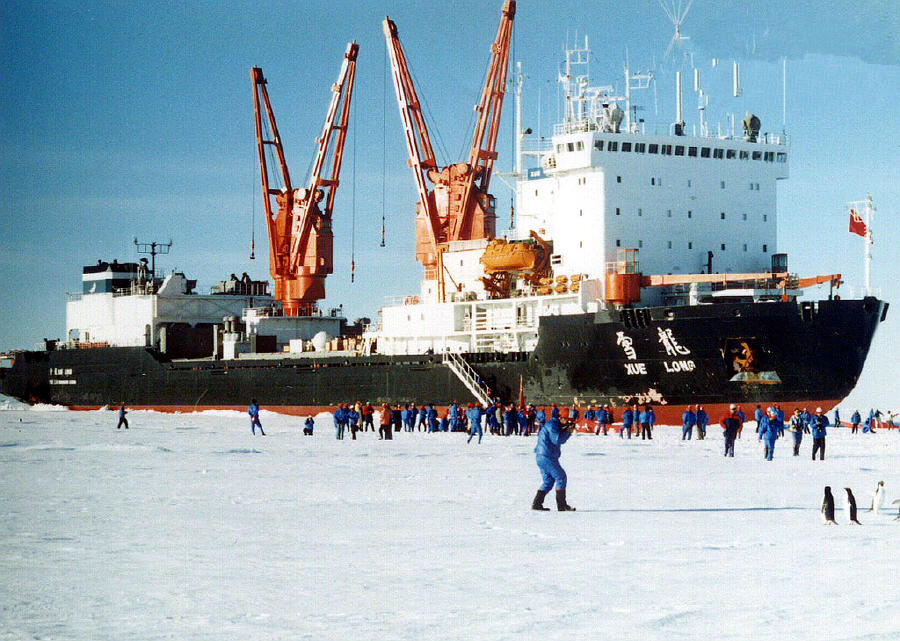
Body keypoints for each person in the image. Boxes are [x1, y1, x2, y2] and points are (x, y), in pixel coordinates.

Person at [531, 417, 577, 511]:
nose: (567, 422)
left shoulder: (553, 424)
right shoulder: (552, 424)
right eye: (566, 420)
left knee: (548, 481)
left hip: (542, 455)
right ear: (561, 418)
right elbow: (557, 439)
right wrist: (568, 432)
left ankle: (537, 504)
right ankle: (562, 505)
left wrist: (565, 429)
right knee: (561, 477)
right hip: (547, 456)